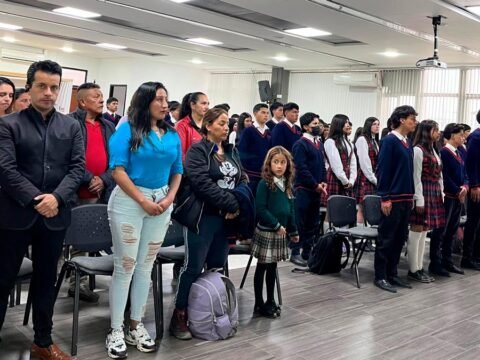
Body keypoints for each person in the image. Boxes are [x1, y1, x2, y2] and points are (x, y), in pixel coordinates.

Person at [0, 60, 84, 360]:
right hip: (15, 216)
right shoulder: (8, 125)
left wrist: (57, 199)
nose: (48, 93)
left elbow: (77, 169)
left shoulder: (71, 125)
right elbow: (6, 170)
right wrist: (39, 199)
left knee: (46, 280)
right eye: (42, 86)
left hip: (55, 217)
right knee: (3, 278)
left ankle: (43, 341)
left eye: (54, 87)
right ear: (29, 86)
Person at [106, 82, 183, 358]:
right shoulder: (126, 129)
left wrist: (168, 198)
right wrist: (142, 200)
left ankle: (135, 324)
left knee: (145, 267)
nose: (164, 105)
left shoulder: (172, 134)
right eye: (159, 99)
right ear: (145, 101)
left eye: (166, 99)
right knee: (125, 265)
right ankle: (115, 329)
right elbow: (117, 170)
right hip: (130, 201)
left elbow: (177, 171)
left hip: (161, 202)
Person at [170, 108, 246, 340]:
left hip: (226, 219)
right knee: (192, 267)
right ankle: (179, 314)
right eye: (222, 123)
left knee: (216, 264)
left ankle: (209, 309)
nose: (227, 127)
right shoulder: (198, 150)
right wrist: (229, 204)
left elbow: (242, 178)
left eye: (228, 124)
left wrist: (235, 204)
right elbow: (201, 182)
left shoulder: (232, 151)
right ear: (208, 125)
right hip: (203, 217)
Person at [68, 82, 116, 303]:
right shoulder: (70, 123)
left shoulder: (108, 126)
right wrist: (90, 178)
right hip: (76, 188)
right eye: (96, 96)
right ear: (82, 101)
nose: (101, 100)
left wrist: (103, 179)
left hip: (103, 189)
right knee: (80, 236)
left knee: (98, 234)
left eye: (102, 96)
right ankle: (78, 282)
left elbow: (116, 160)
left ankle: (86, 278)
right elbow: (68, 158)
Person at [374, 105, 417, 293]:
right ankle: (380, 275)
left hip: (406, 198)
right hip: (393, 198)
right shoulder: (390, 141)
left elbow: (409, 172)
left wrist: (412, 194)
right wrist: (384, 197)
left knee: (400, 238)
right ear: (401, 119)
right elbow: (383, 170)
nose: (414, 122)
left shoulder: (407, 141)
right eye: (412, 119)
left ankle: (392, 273)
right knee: (386, 238)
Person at [252, 146, 298, 318]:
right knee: (262, 266)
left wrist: (293, 230)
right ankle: (259, 302)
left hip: (281, 232)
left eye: (283, 162)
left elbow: (290, 209)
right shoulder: (265, 184)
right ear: (269, 164)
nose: (279, 166)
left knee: (273, 268)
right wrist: (276, 225)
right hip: (268, 231)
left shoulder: (286, 184)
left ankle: (270, 300)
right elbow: (261, 209)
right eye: (275, 162)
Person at [407, 120, 443, 283]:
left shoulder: (434, 149)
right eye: (436, 130)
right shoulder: (418, 150)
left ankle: (420, 267)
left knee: (424, 232)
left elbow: (439, 175)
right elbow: (416, 177)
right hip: (423, 192)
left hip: (433, 192)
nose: (438, 133)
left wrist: (441, 193)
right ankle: (413, 269)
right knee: (416, 231)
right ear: (427, 132)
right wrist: (419, 199)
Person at [429, 123, 467, 275]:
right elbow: (445, 177)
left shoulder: (459, 152)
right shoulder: (444, 152)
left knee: (452, 230)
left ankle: (448, 261)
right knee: (441, 231)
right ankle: (436, 263)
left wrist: (465, 186)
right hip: (448, 197)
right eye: (460, 135)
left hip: (459, 197)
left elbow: (464, 173)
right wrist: (458, 190)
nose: (463, 138)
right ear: (452, 135)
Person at [292, 112, 327, 266]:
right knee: (300, 222)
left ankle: (307, 251)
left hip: (317, 189)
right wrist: (315, 184)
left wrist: (323, 181)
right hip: (304, 188)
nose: (318, 126)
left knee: (312, 223)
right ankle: (295, 252)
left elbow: (323, 165)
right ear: (305, 126)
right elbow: (301, 168)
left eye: (318, 123)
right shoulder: (300, 144)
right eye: (314, 124)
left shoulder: (319, 143)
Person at [320, 115, 357, 207]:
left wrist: (352, 180)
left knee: (344, 208)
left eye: (348, 122)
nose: (348, 125)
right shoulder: (330, 142)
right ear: (338, 125)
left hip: (347, 178)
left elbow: (353, 163)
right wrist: (345, 181)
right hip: (335, 177)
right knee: (332, 209)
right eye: (345, 123)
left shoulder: (349, 143)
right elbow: (335, 165)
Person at [238, 103, 271, 195]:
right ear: (255, 113)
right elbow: (242, 152)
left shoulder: (269, 132)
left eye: (267, 113)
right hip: (251, 173)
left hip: (265, 173)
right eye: (263, 112)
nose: (266, 115)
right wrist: (244, 171)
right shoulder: (248, 131)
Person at [462, 111, 480, 270]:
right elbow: (471, 164)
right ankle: (468, 257)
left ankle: (477, 254)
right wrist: (474, 185)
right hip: (477, 187)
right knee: (473, 222)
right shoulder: (475, 137)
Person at [355, 117, 380, 218]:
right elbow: (364, 162)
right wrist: (374, 179)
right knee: (362, 207)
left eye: (378, 124)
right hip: (366, 176)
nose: (377, 126)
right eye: (374, 124)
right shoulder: (362, 139)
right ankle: (359, 232)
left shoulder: (374, 141)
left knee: (370, 208)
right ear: (368, 125)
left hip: (373, 176)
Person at [176, 92, 209, 162]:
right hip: (191, 169)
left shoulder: (208, 125)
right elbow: (181, 154)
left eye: (208, 104)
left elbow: (215, 148)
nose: (207, 107)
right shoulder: (181, 125)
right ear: (192, 105)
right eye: (203, 103)